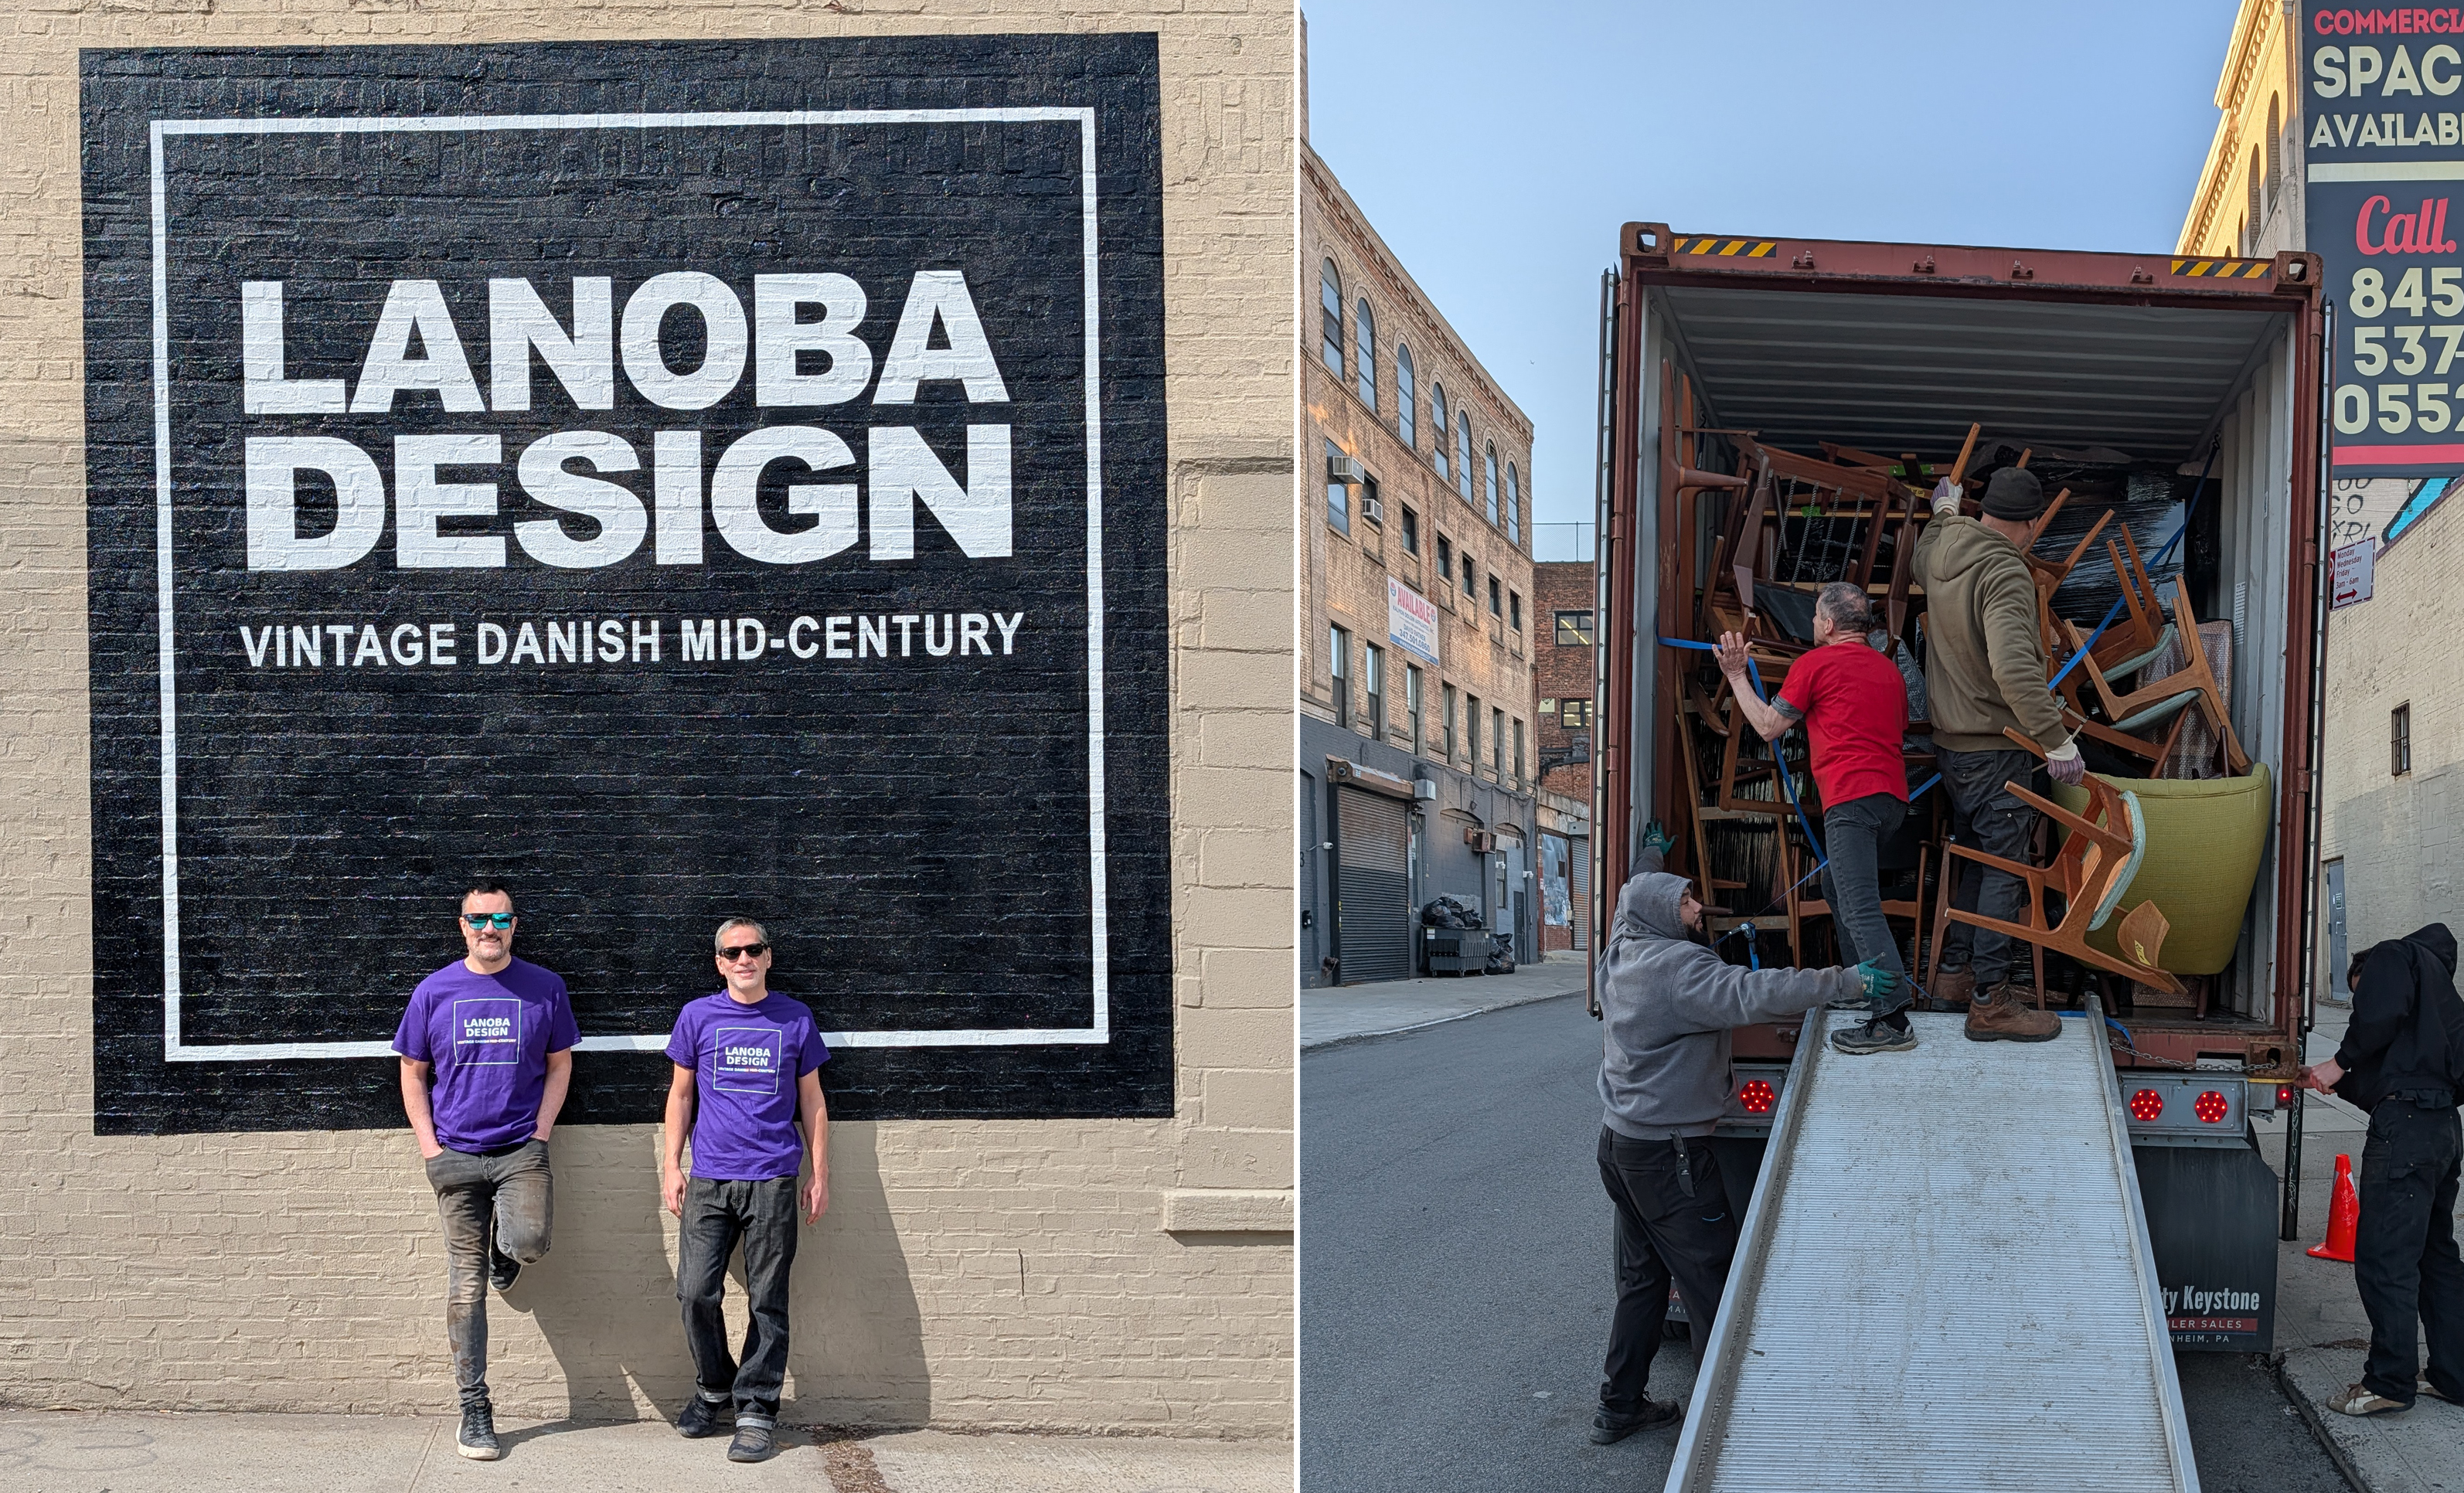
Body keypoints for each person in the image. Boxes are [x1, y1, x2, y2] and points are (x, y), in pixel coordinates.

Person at [1588, 830, 1897, 1444]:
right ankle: (1721, 1431)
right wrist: (1849, 981)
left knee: (1643, 1282)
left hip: (1620, 1149)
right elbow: (1757, 992)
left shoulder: (1621, 950)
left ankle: (1618, 1407)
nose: (1697, 908)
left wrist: (1651, 858)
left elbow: (1632, 894)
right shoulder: (1681, 973)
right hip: (1670, 1159)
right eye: (1684, 903)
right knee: (1715, 1291)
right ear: (1662, 918)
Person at [394, 881, 580, 1462]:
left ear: (514, 925)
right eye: (478, 919)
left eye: (499, 918)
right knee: (464, 1287)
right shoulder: (434, 991)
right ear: (463, 926)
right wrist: (431, 1149)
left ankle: (508, 1253)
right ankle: (474, 1408)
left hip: (520, 1152)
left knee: (529, 1241)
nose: (489, 928)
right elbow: (412, 1071)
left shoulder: (544, 988)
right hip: (455, 1155)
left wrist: (541, 1134)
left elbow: (560, 1063)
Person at [1910, 465, 2076, 1042]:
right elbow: (2013, 667)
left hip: (1952, 748)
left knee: (1980, 858)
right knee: (2007, 868)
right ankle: (1992, 1002)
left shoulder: (1946, 547)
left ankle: (1956, 973)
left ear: (1985, 513)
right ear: (2030, 524)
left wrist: (1944, 510)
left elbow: (1921, 552)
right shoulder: (2004, 569)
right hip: (1995, 747)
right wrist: (2056, 740)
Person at [1714, 580, 1915, 1056]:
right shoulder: (1889, 672)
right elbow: (1897, 726)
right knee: (1835, 887)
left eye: (1814, 620)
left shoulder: (1815, 664)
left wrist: (1738, 675)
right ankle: (1862, 988)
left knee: (1859, 902)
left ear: (1827, 625)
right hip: (1892, 803)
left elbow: (1767, 727)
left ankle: (1892, 1018)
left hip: (1850, 799)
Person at [662, 917, 832, 1464]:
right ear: (719, 962)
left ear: (768, 957)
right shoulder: (697, 1017)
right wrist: (671, 1164)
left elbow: (814, 1103)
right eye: (732, 952)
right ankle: (715, 1386)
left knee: (768, 1300)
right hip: (710, 1178)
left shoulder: (794, 1018)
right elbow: (681, 1096)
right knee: (694, 1292)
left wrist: (820, 1172)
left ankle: (757, 1410)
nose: (743, 959)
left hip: (774, 1179)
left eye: (753, 949)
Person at [2305, 927, 2464, 1416]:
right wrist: (2331, 1081)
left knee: (2385, 1259)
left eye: (2360, 994)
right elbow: (2390, 1078)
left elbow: (2378, 1018)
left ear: (2365, 972)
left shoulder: (2393, 956)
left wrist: (2339, 1061)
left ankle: (2390, 1381)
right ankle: (2453, 1375)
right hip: (2441, 1129)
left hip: (2407, 1134)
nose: (2360, 1005)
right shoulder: (2437, 1002)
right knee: (2436, 1255)